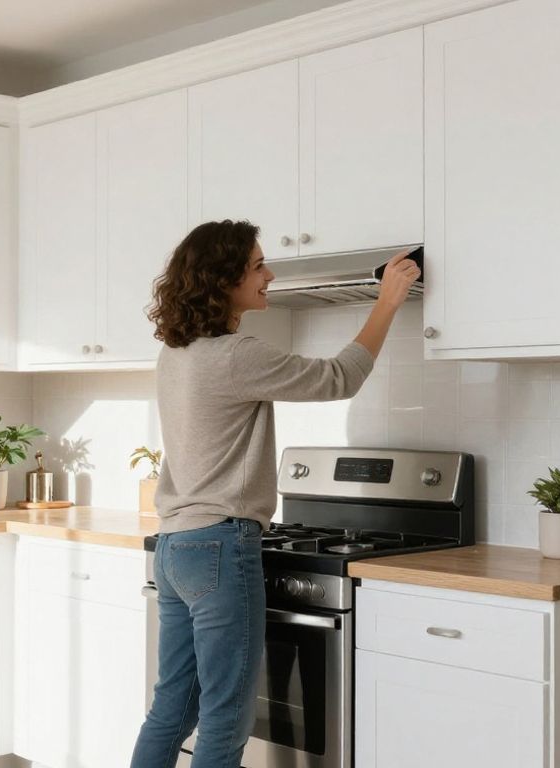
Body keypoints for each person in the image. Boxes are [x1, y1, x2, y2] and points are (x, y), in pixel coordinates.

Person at [130, 220, 420, 768]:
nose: (270, 274)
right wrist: (387, 302)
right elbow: (339, 377)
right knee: (225, 715)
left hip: (174, 546)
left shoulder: (177, 353)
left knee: (172, 708)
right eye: (258, 265)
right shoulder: (235, 355)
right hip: (219, 544)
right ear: (225, 280)